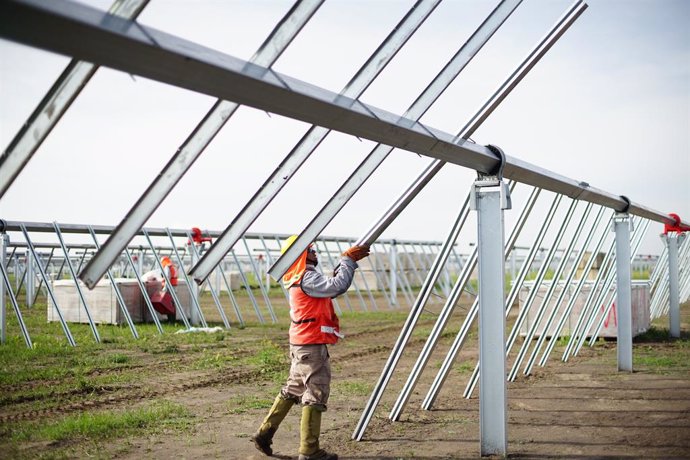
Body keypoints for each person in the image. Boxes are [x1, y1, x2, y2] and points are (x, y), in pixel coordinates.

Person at [251, 235, 370, 460]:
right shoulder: (306, 277)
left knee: (294, 387)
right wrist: (347, 261)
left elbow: (328, 287)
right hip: (311, 346)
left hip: (302, 343)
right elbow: (337, 287)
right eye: (310, 250)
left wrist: (344, 265)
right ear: (300, 255)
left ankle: (264, 433)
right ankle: (309, 450)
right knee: (316, 392)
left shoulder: (299, 277)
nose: (315, 253)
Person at [142, 255, 178, 322]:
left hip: (169, 287)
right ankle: (172, 320)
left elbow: (167, 278)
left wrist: (165, 288)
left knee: (168, 304)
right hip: (174, 286)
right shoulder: (173, 266)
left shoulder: (167, 267)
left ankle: (171, 320)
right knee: (172, 304)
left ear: (163, 261)